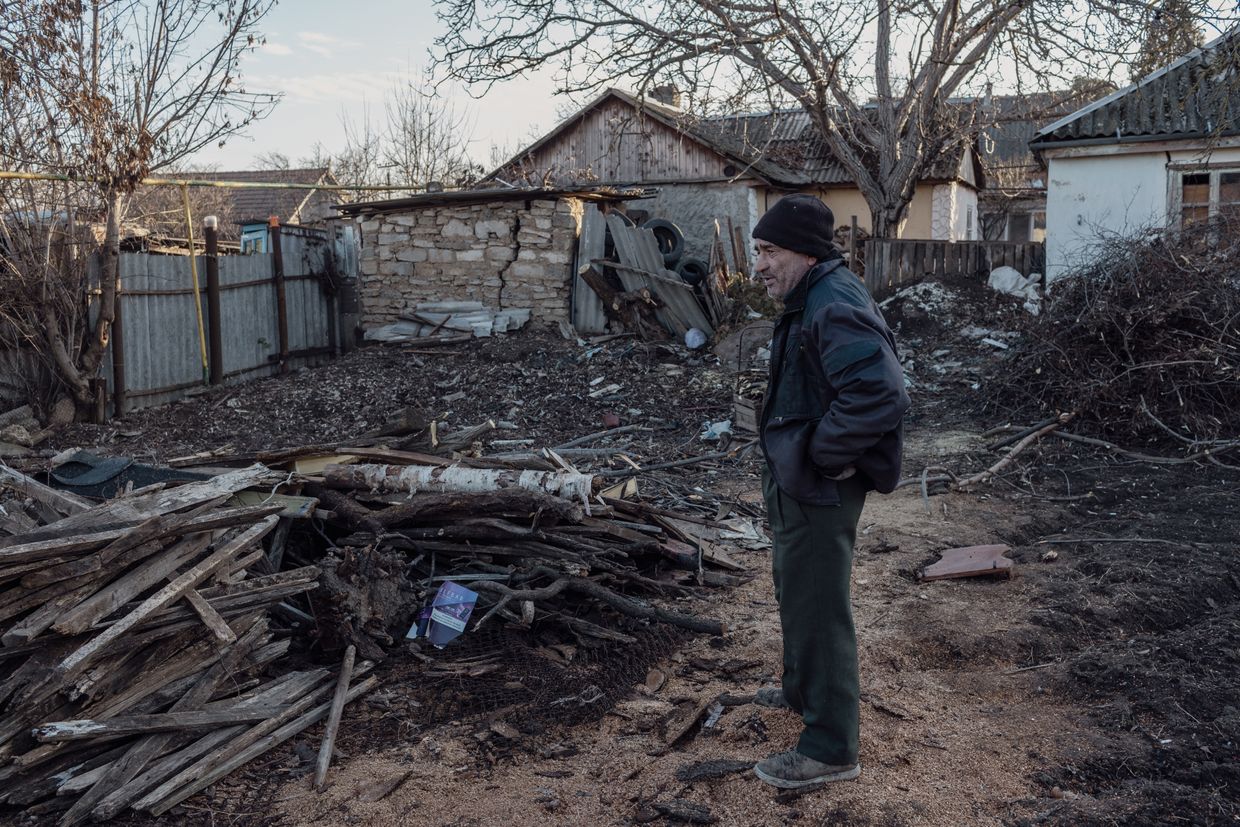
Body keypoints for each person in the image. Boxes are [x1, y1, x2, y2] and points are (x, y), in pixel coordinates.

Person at [749, 194, 909, 789]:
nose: (759, 265)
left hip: (817, 483)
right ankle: (801, 690)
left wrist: (824, 454)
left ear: (806, 252)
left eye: (769, 251)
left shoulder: (832, 301)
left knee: (819, 605)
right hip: (798, 479)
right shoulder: (811, 296)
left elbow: (879, 392)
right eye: (757, 251)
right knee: (798, 590)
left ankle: (829, 747)